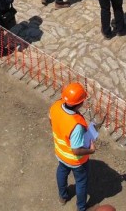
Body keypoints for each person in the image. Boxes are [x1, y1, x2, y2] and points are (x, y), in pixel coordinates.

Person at [49, 82, 96, 211]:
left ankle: (63, 196)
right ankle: (81, 208)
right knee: (81, 182)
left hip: (60, 153)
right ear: (79, 104)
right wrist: (91, 150)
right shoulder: (76, 125)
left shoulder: (55, 106)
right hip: (75, 161)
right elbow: (76, 150)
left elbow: (51, 121)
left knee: (62, 171)